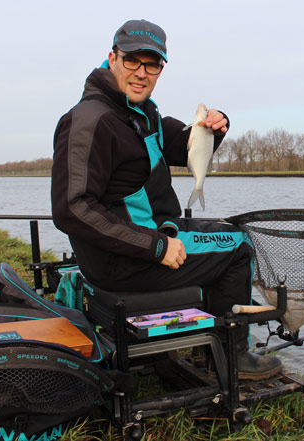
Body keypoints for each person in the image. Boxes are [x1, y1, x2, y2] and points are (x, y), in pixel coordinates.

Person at [51, 19, 281, 380]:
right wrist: (156, 246)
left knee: (224, 232)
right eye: (132, 61)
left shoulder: (140, 113)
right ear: (112, 58)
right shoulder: (90, 120)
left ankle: (208, 344)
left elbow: (184, 145)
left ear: (160, 68)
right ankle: (232, 356)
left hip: (145, 238)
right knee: (238, 246)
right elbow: (72, 208)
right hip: (123, 259)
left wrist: (217, 126)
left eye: (153, 64)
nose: (142, 73)